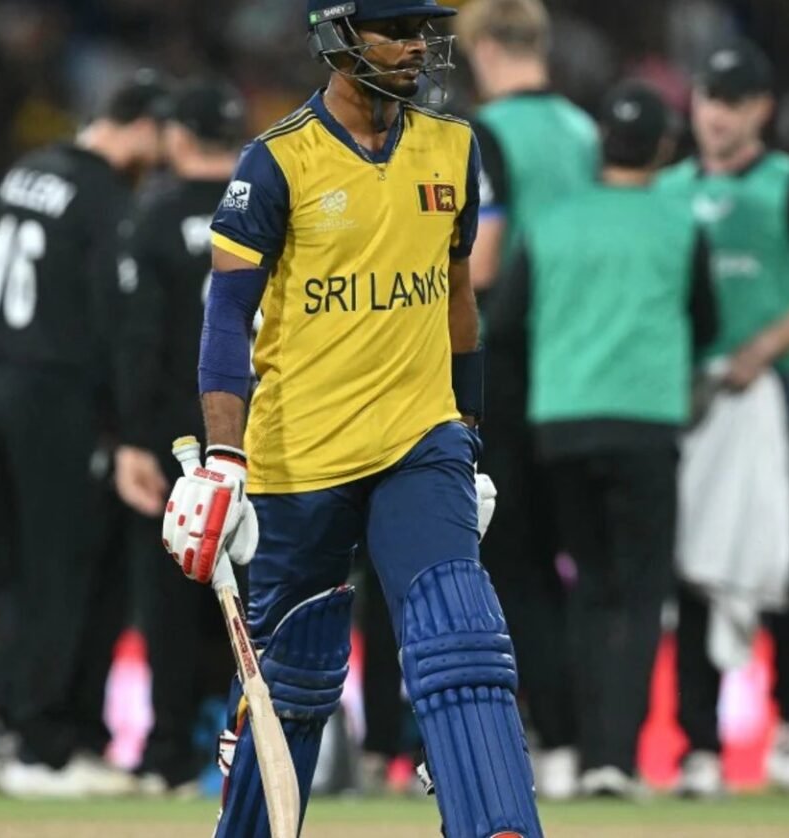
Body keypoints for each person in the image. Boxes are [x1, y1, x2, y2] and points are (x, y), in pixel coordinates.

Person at [160, 1, 542, 835]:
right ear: (338, 36)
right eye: (394, 30)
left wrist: (469, 435)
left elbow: (458, 296)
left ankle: (497, 826)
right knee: (290, 681)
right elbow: (226, 317)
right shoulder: (276, 161)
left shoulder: (456, 147)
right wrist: (224, 459)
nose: (416, 47)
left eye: (421, 30)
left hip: (421, 439)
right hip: (301, 455)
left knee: (462, 638)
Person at [0, 72, 166, 797]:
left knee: (15, 574)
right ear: (141, 126)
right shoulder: (106, 196)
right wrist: (130, 427)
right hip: (45, 392)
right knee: (61, 570)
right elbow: (115, 317)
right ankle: (39, 746)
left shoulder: (29, 170)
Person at [489, 80, 718, 798]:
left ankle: (574, 747)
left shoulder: (552, 222)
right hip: (645, 422)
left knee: (586, 587)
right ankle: (613, 758)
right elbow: (708, 323)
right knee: (639, 593)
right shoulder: (680, 223)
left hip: (561, 425)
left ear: (602, 146)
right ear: (664, 148)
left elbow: (505, 325)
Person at [657, 39, 789, 797]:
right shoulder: (670, 189)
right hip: (692, 401)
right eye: (710, 99)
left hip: (773, 394)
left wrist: (764, 347)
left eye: (734, 102)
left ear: (762, 110)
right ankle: (700, 746)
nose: (718, 115)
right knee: (693, 566)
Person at [454, 0, 599, 799]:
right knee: (580, 563)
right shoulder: (586, 133)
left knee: (513, 561)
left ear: (482, 47)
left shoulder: (483, 134)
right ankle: (590, 742)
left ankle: (543, 737)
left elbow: (481, 261)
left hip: (507, 362)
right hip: (584, 364)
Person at [111, 78, 248, 797]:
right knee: (250, 593)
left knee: (170, 594)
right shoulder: (268, 208)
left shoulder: (156, 216)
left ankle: (169, 751)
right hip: (258, 433)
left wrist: (133, 438)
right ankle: (239, 744)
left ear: (180, 138)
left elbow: (138, 337)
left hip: (178, 439)